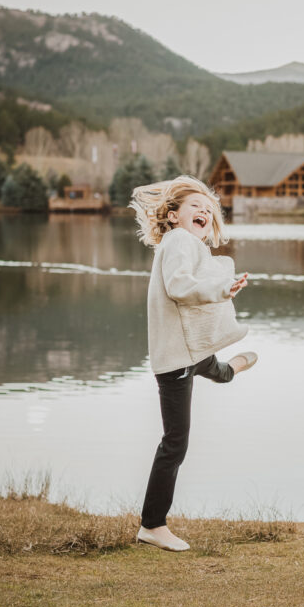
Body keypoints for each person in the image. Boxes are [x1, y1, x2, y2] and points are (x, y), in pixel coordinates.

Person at [129, 175, 258, 552]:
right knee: (175, 443)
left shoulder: (182, 243)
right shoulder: (180, 242)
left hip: (191, 351)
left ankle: (229, 368)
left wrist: (222, 285)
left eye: (208, 209)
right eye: (195, 207)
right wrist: (222, 288)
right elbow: (180, 287)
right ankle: (152, 525)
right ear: (173, 216)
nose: (204, 211)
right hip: (177, 358)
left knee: (214, 368)